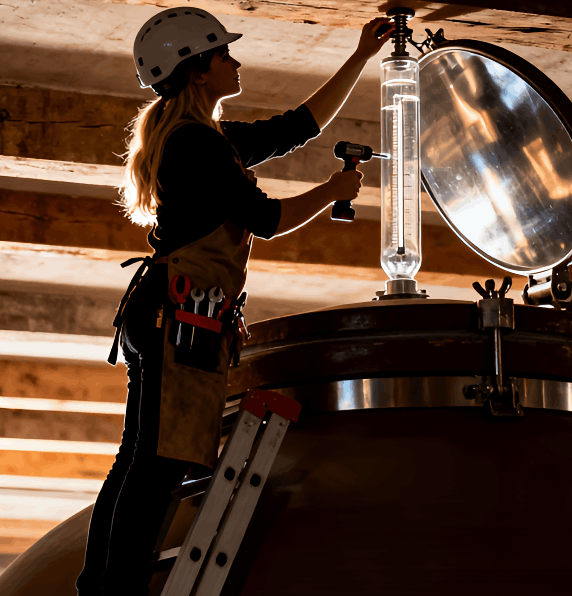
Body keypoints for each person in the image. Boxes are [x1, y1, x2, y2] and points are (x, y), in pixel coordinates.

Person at [77, 8, 393, 595]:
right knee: (156, 463)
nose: (236, 61)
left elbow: (302, 125)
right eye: (223, 54)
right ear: (197, 71)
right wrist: (332, 191)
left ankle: (103, 587)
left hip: (175, 312)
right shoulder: (195, 146)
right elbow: (268, 219)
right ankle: (111, 591)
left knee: (144, 459)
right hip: (177, 314)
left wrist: (360, 57)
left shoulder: (210, 140)